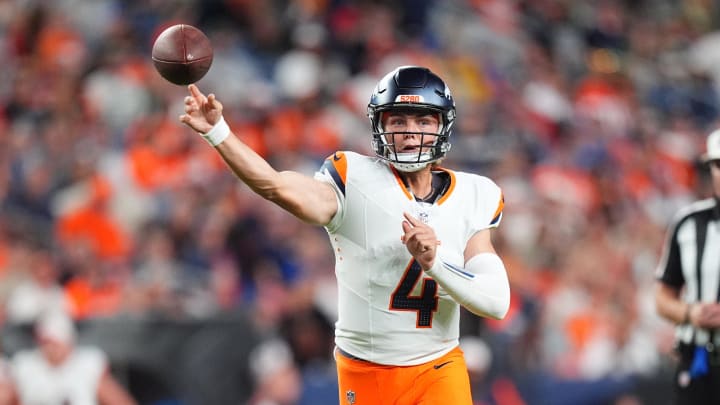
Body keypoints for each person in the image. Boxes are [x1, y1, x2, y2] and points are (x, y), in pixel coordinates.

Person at [179, 65, 511, 404]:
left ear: (443, 126)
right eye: (398, 121)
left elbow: (495, 302)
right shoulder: (353, 179)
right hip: (367, 370)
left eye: (423, 121)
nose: (411, 132)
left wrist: (434, 263)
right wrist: (218, 133)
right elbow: (276, 186)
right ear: (380, 125)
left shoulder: (475, 194)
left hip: (439, 367)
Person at [655, 128, 720, 405]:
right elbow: (662, 297)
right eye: (719, 165)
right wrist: (690, 312)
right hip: (698, 359)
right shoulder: (689, 223)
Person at [10, 310, 138, 405]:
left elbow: (120, 401)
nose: (50, 349)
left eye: (55, 343)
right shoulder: (25, 365)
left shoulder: (88, 364)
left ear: (68, 342)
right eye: (45, 343)